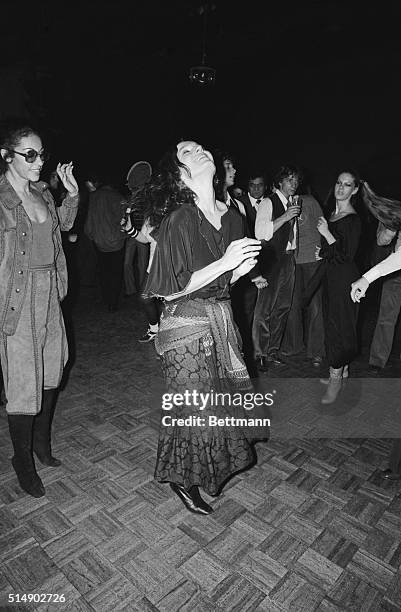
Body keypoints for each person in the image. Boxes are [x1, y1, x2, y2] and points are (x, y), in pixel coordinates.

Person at [143, 140, 263, 514]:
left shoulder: (234, 218)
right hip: (185, 324)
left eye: (201, 147)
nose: (201, 152)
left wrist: (239, 271)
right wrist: (226, 261)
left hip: (220, 318)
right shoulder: (178, 219)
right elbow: (169, 289)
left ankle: (203, 472)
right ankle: (182, 478)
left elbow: (226, 279)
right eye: (188, 153)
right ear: (181, 174)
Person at [0, 119, 79, 497]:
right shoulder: (0, 199)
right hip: (16, 296)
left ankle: (41, 443)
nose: (38, 160)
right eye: (29, 154)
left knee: (52, 368)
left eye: (41, 153)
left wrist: (73, 196)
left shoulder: (43, 192)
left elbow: (60, 225)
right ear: (6, 156)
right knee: (22, 382)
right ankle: (22, 459)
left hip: (50, 291)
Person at [315, 171, 362, 404]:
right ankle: (341, 373)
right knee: (334, 323)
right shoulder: (333, 214)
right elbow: (333, 250)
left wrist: (326, 234)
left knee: (339, 327)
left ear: (354, 190)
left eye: (347, 185)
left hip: (344, 279)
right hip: (331, 277)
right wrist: (322, 250)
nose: (341, 188)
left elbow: (347, 255)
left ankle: (335, 381)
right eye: (338, 183)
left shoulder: (352, 218)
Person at [253, 165, 302, 370]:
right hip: (272, 260)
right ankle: (259, 354)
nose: (294, 184)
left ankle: (272, 351)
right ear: (279, 182)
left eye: (296, 180)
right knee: (264, 309)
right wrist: (285, 217)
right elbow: (260, 233)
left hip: (289, 259)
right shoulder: (267, 202)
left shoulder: (294, 203)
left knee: (283, 307)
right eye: (290, 180)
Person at [281, 186, 325, 366]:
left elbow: (323, 225)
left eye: (293, 180)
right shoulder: (279, 202)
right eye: (286, 180)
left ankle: (316, 350)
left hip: (312, 261)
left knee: (316, 306)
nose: (290, 184)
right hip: (292, 261)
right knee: (292, 306)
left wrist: (324, 249)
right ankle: (294, 346)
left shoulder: (310, 202)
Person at [84, 173, 126, 312]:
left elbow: (89, 220)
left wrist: (91, 235)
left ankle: (106, 298)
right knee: (116, 272)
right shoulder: (118, 197)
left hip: (99, 241)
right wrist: (124, 235)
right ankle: (112, 302)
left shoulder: (94, 196)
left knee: (104, 271)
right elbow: (123, 221)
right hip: (116, 242)